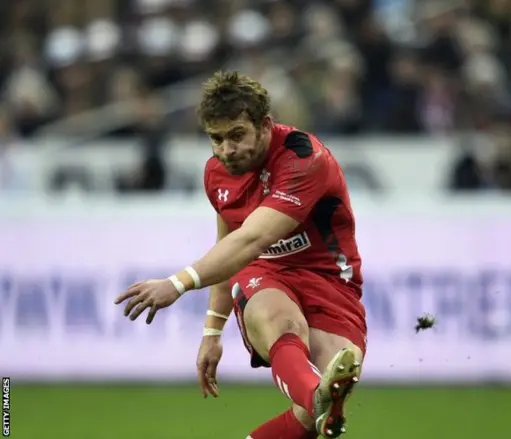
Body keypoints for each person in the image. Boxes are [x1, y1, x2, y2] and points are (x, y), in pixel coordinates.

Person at [114, 71, 367, 439]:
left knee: (312, 413)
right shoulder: (217, 173)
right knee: (283, 325)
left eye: (236, 136)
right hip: (265, 274)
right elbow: (232, 248)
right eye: (216, 139)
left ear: (265, 125)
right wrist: (212, 330)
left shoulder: (303, 158)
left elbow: (254, 236)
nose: (226, 151)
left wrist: (177, 284)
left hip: (331, 284)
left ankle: (315, 401)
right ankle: (318, 397)